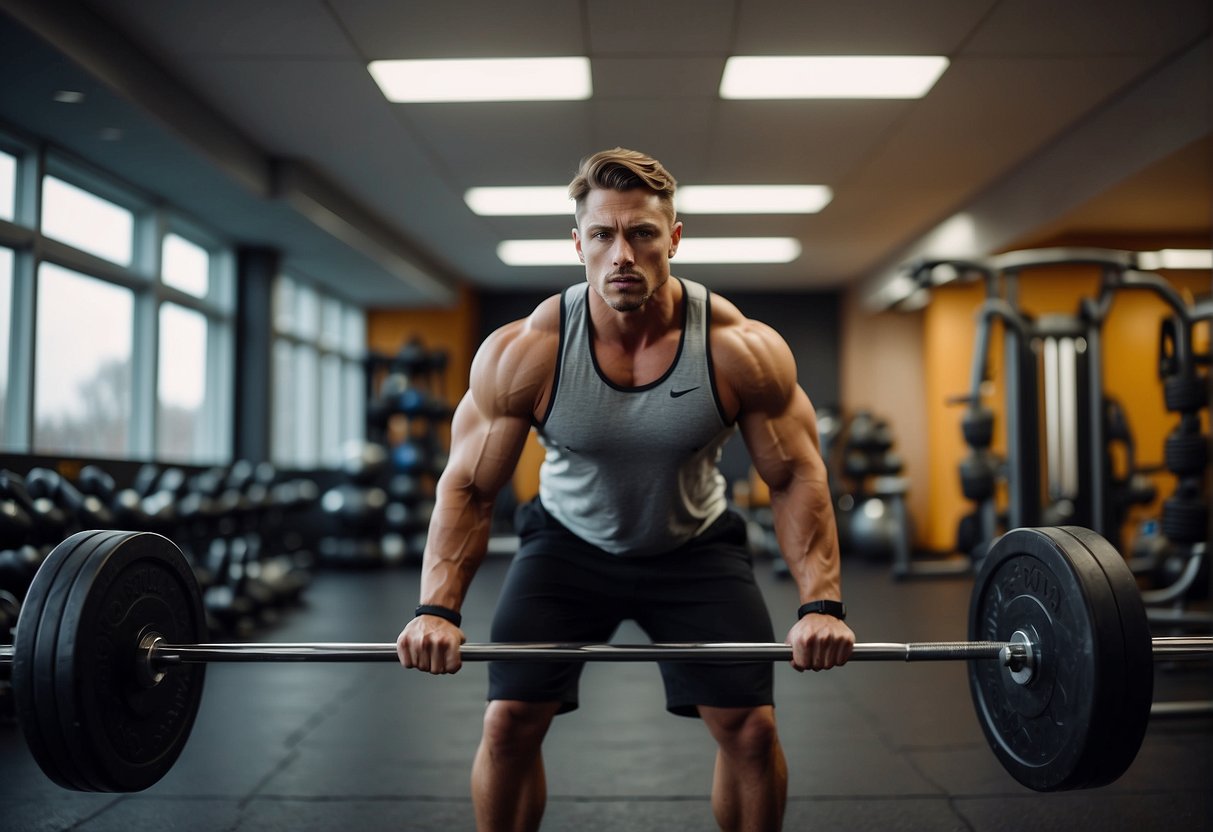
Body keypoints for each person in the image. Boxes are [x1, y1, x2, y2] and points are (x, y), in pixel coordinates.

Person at [397, 147, 855, 832]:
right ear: (577, 243)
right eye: (603, 235)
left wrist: (821, 605)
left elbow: (793, 475)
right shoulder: (526, 351)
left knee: (751, 730)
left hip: (694, 547)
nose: (622, 255)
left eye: (642, 233)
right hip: (565, 547)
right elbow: (468, 487)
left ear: (673, 238)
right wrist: (437, 610)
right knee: (508, 723)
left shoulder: (737, 346)